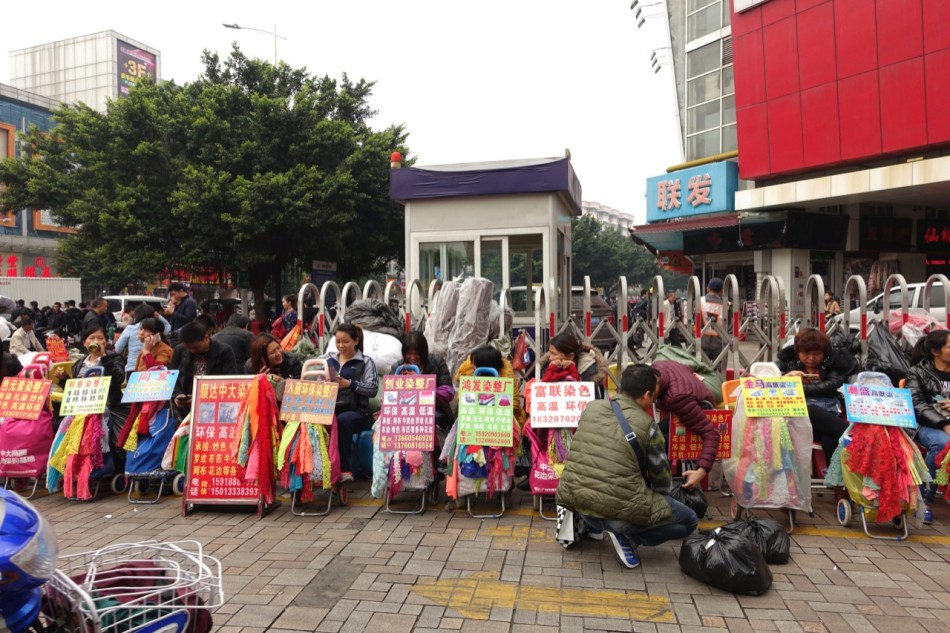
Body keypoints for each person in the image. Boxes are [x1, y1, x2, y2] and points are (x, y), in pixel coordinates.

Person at [557, 365, 698, 569]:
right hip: (615, 515)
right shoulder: (648, 425)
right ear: (647, 395)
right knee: (689, 521)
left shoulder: (591, 408)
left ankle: (597, 529)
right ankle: (628, 540)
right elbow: (662, 484)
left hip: (579, 504)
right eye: (654, 397)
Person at [776, 328, 856, 467]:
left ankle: (835, 482)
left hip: (827, 415)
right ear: (797, 351)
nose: (811, 359)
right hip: (795, 422)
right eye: (806, 354)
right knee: (810, 411)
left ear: (824, 353)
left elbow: (831, 385)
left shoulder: (834, 362)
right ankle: (855, 438)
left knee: (829, 438)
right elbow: (765, 375)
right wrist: (785, 378)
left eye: (816, 354)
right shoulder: (787, 361)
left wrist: (797, 387)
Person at [322, 323, 379, 481]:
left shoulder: (366, 362)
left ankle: (344, 470)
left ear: (355, 340)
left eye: (345, 342)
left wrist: (350, 384)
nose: (341, 345)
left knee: (342, 420)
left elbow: (373, 389)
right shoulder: (328, 360)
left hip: (356, 412)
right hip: (328, 407)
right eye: (338, 341)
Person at [652, 359, 720, 490]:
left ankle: (661, 485)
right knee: (655, 433)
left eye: (650, 395)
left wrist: (701, 471)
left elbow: (711, 433)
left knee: (657, 443)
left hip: (698, 409)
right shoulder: (659, 365)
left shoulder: (676, 397)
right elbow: (688, 369)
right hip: (688, 405)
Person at [905, 330, 950, 524]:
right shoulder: (917, 372)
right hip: (927, 424)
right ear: (935, 351)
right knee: (943, 444)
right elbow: (917, 405)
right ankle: (926, 500)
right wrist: (944, 423)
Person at [389, 330, 455, 430]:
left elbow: (448, 392)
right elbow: (390, 397)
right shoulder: (398, 368)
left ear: (424, 352)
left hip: (434, 414)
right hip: (406, 415)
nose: (413, 358)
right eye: (409, 354)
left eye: (416, 354)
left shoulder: (437, 362)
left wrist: (421, 384)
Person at [170, 321, 238, 418]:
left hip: (214, 405)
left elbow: (229, 381)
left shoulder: (224, 351)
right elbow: (173, 376)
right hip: (185, 407)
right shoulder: (179, 350)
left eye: (195, 347)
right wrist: (177, 395)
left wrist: (200, 399)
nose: (192, 351)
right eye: (188, 348)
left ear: (206, 338)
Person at [115, 304, 172, 374]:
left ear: (157, 333)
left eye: (147, 330)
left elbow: (157, 372)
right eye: (140, 329)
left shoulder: (164, 350)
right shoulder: (143, 350)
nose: (141, 333)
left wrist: (146, 352)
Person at [700, 278, 725, 367]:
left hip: (702, 341)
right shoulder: (726, 305)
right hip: (719, 343)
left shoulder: (699, 302)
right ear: (722, 290)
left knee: (702, 370)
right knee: (718, 371)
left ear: (707, 289)